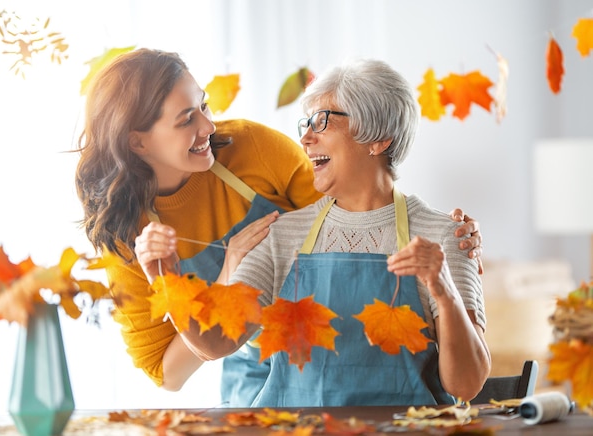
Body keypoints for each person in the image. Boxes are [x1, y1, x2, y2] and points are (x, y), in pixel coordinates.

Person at [74, 48, 485, 407]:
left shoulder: (442, 236)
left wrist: (445, 277)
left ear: (377, 137)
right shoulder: (278, 238)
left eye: (321, 121)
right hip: (272, 403)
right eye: (186, 119)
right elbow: (204, 350)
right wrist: (167, 276)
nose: (305, 139)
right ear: (138, 142)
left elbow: (354, 199)